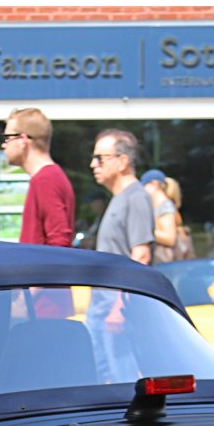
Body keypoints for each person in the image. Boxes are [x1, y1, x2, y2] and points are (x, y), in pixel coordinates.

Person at [88, 129, 156, 381]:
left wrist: (118, 308)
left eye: (100, 158)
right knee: (104, 383)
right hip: (102, 308)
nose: (92, 164)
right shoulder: (119, 199)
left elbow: (141, 256)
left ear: (123, 161)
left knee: (122, 383)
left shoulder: (136, 197)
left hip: (116, 312)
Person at [1, 108, 74, 248]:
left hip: (44, 270)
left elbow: (60, 242)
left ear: (22, 140)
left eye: (7, 138)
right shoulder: (49, 176)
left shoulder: (46, 180)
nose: (4, 145)